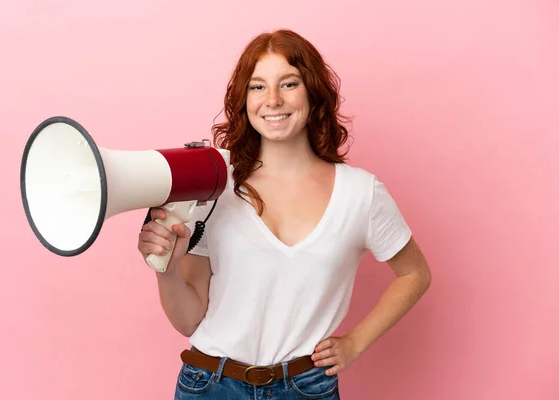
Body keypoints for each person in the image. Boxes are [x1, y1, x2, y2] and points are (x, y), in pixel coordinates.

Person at [138, 28, 432, 399]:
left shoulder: (360, 193)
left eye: (289, 84)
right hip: (209, 384)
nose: (273, 100)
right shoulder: (213, 187)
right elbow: (189, 321)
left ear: (313, 93)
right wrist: (166, 270)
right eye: (258, 87)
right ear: (243, 100)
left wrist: (355, 343)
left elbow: (415, 273)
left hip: (306, 388)